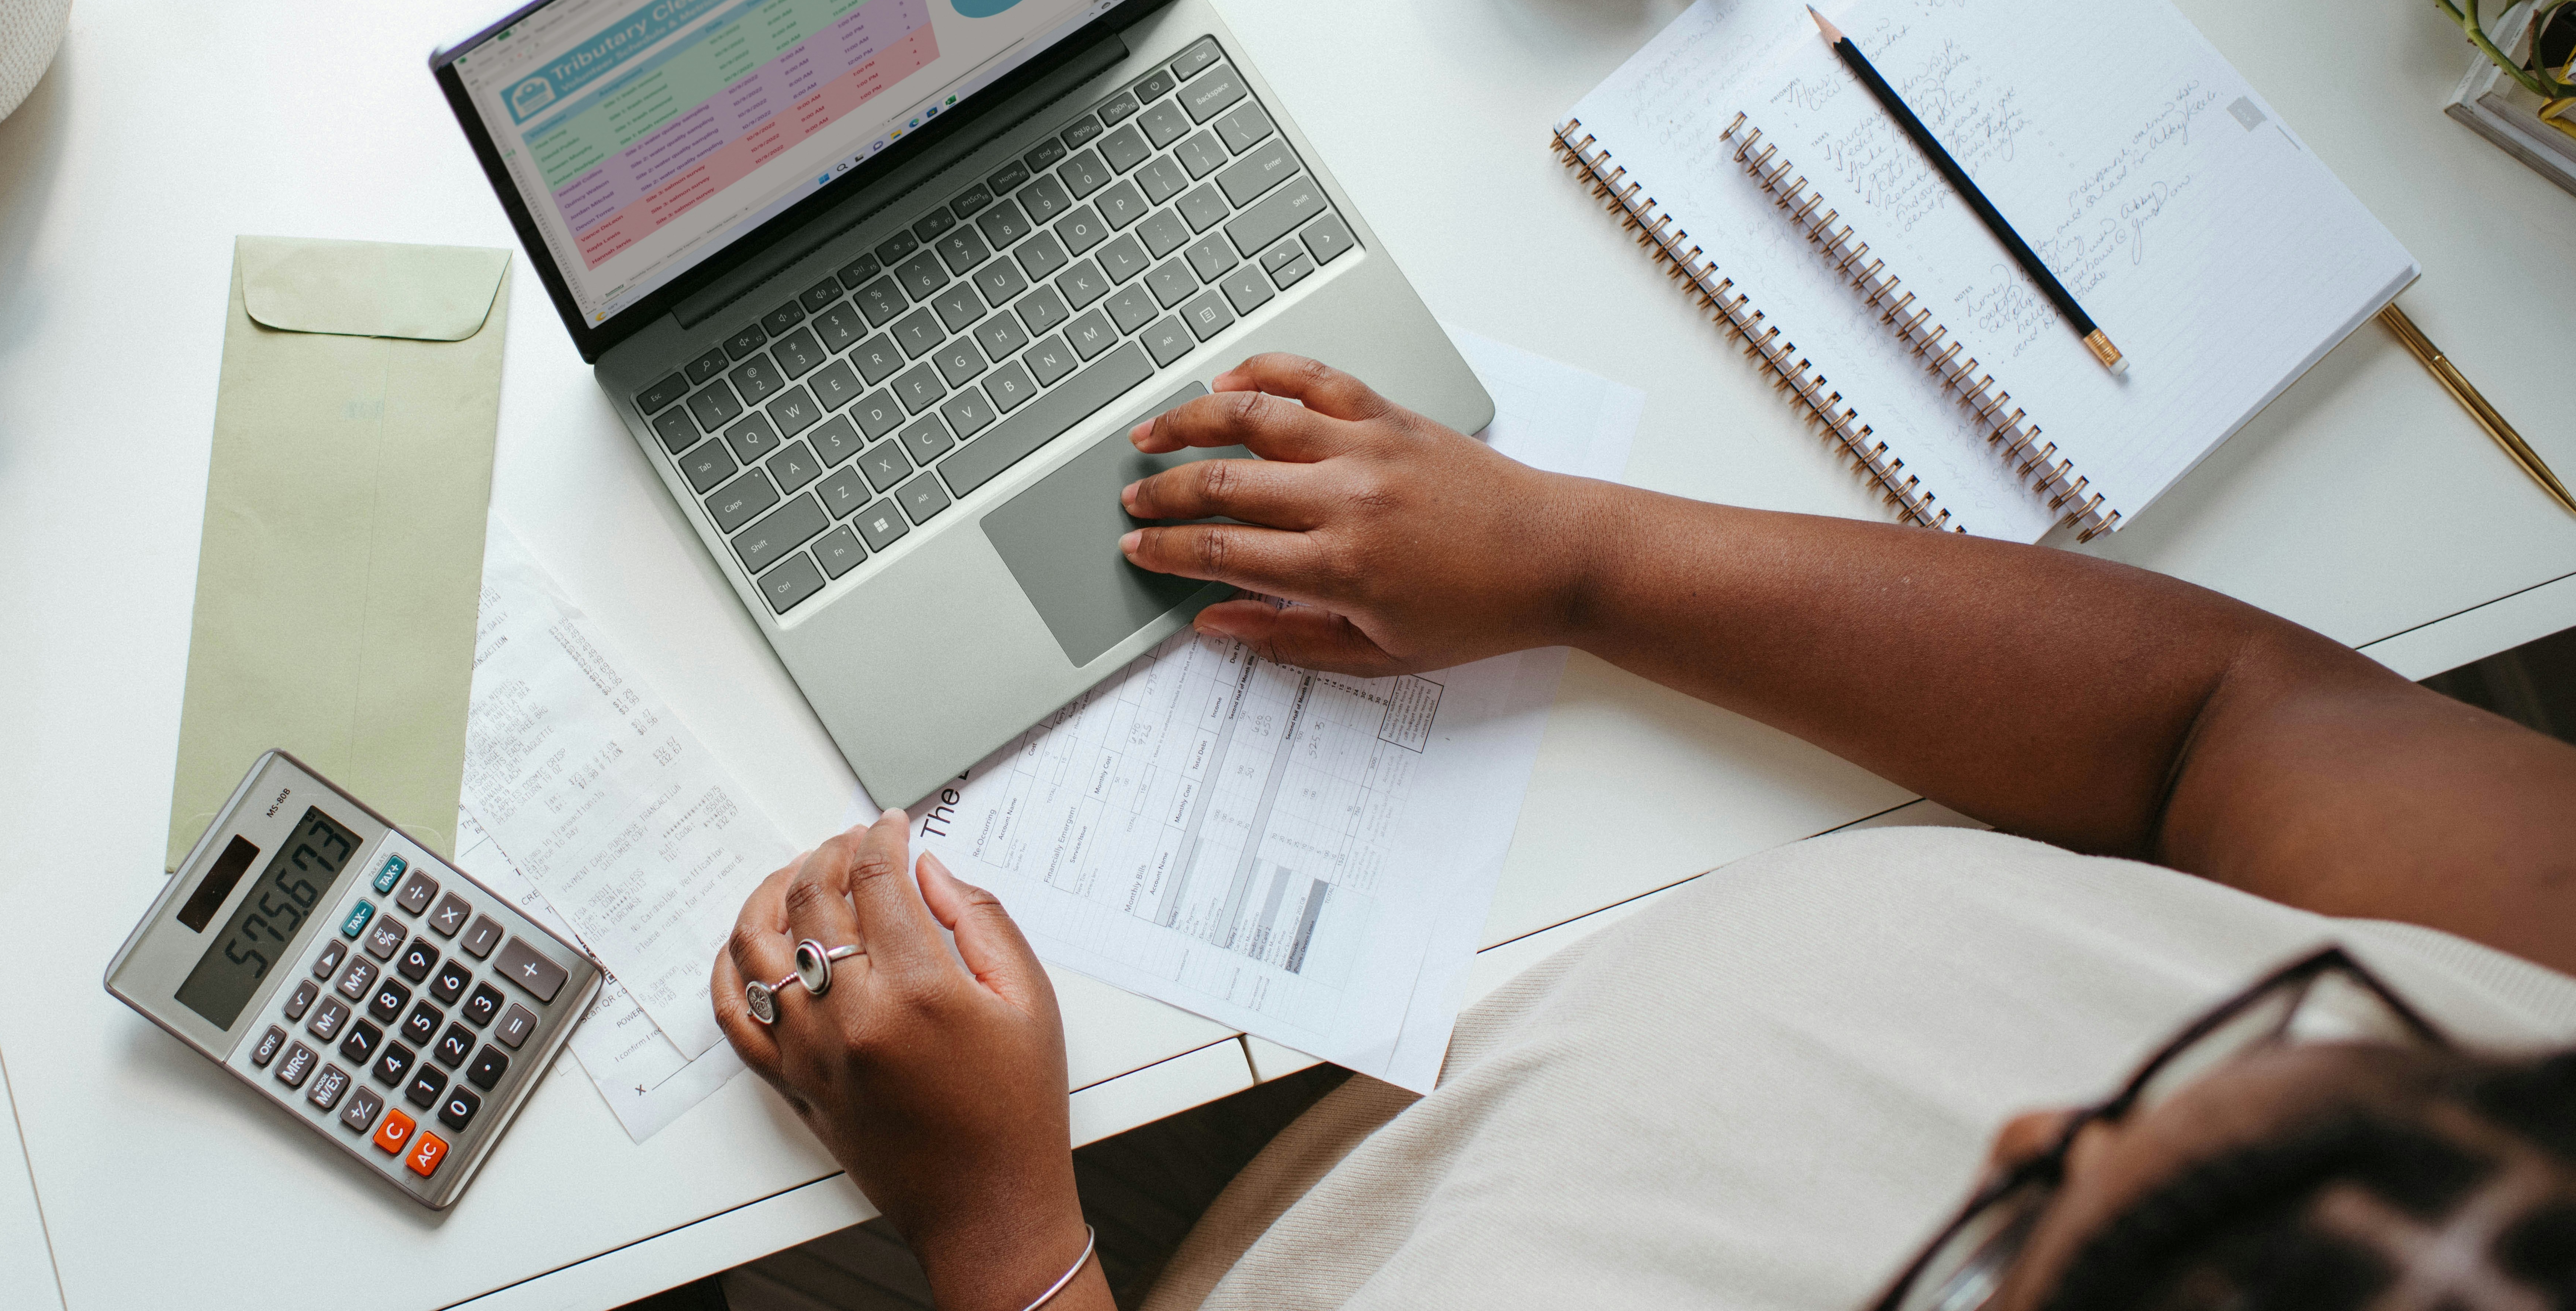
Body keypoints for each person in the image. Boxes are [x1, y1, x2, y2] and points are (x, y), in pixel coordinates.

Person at [709, 355, 2576, 1311]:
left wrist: (1001, 1235)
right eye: (2288, 1028)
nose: (2023, 1115)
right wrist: (1574, 560)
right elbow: (2226, 719)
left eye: (1999, 1243)